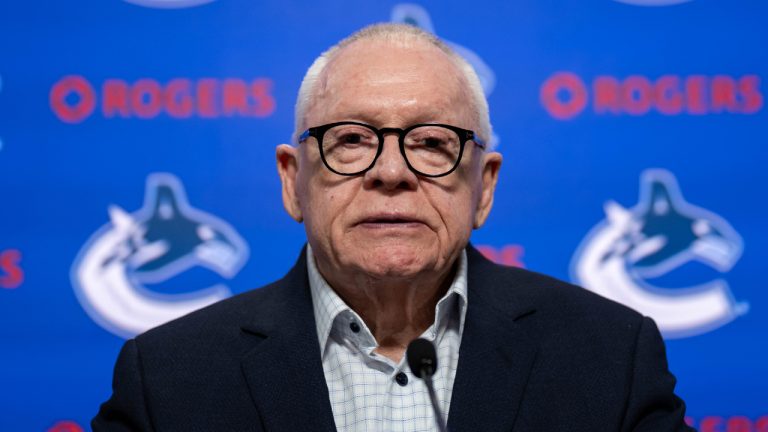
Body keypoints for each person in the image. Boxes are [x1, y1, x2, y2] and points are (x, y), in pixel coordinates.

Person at [92, 23, 693, 431]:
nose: (390, 172)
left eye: (431, 143)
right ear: (290, 180)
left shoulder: (610, 358)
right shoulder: (168, 379)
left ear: (483, 188)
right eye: (350, 140)